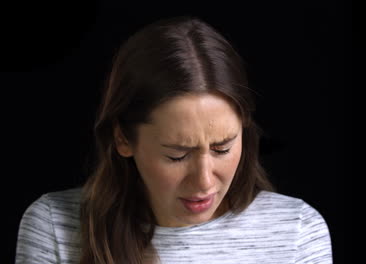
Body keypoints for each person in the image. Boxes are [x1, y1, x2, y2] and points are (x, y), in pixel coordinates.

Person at [15, 15, 332, 264]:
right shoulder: (54, 227)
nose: (205, 182)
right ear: (123, 139)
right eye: (177, 156)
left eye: (222, 148)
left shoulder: (297, 230)